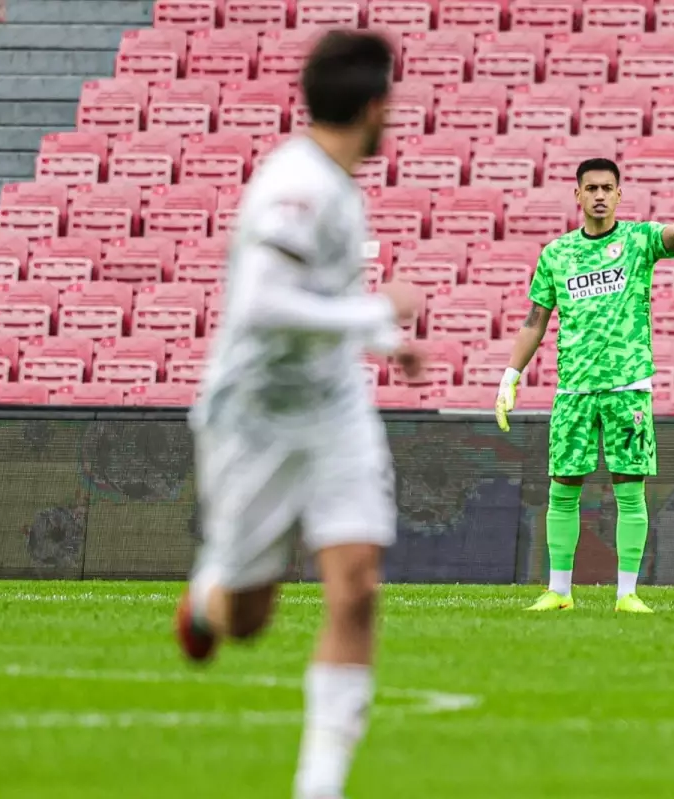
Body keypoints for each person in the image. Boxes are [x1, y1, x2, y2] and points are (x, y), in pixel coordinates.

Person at [173, 30, 424, 799]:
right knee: (247, 617)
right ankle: (207, 598)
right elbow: (260, 304)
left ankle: (320, 789)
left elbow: (319, 306)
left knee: (358, 587)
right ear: (377, 105)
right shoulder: (300, 184)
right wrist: (373, 312)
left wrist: (382, 339)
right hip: (254, 415)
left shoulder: (339, 187)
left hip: (334, 409)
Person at [495, 159, 674, 614]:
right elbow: (535, 321)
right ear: (577, 194)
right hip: (573, 389)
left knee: (630, 488)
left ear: (619, 194)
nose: (599, 196)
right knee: (563, 487)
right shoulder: (556, 254)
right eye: (591, 188)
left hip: (627, 386)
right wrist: (510, 376)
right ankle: (559, 591)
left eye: (608, 188)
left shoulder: (636, 241)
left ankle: (627, 593)